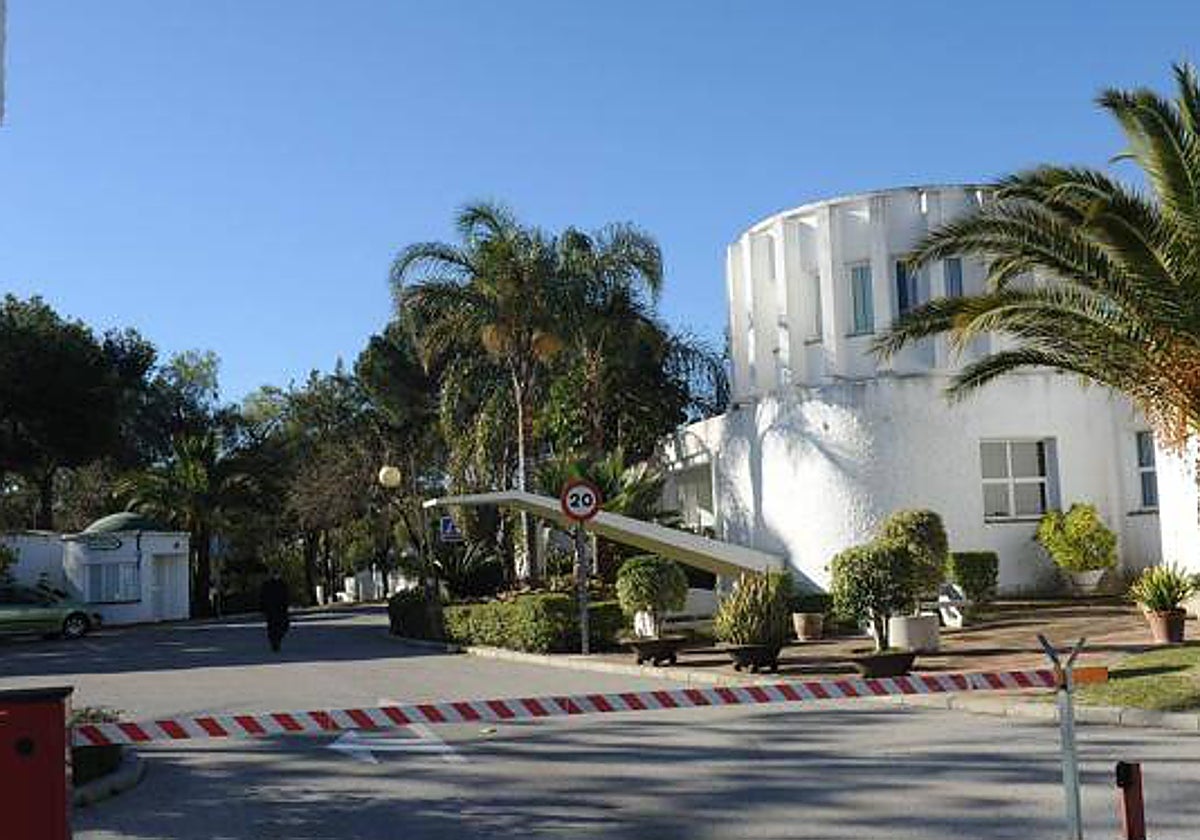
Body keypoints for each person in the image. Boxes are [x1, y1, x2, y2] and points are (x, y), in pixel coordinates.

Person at [259, 572, 291, 652]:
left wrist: (286, 606)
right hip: (271, 609)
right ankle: (274, 642)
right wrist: (263, 608)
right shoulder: (267, 585)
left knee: (283, 626)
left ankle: (277, 640)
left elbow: (286, 596)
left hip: (280, 609)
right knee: (273, 627)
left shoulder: (282, 584)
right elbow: (262, 597)